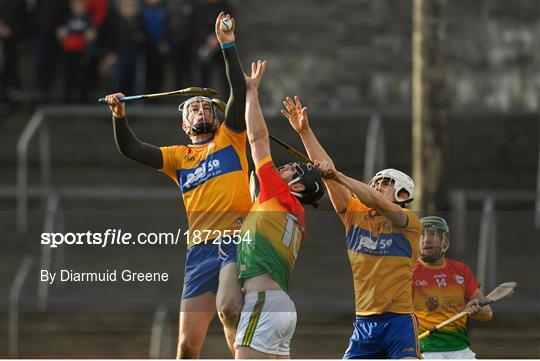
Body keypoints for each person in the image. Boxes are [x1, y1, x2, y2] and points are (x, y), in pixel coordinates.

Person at [104, 12, 250, 359]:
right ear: (185, 124)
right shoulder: (177, 157)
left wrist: (228, 46)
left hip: (236, 241)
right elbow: (131, 148)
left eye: (205, 107)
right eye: (193, 110)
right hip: (198, 250)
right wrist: (119, 118)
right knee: (186, 345)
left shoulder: (231, 137)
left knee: (229, 310)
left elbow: (238, 90)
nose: (201, 112)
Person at [282, 96, 421, 359]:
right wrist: (305, 132)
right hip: (364, 322)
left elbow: (373, 198)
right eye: (376, 181)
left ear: (402, 196)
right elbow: (329, 171)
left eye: (386, 183)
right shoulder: (353, 213)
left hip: (399, 320)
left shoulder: (408, 222)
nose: (378, 186)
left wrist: (338, 176)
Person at [235, 60, 325, 359]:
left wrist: (251, 93)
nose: (283, 168)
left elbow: (257, 139)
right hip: (282, 306)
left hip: (263, 300)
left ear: (298, 187)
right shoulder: (295, 215)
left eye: (291, 170)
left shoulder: (279, 193)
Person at [413, 216, 493, 359]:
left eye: (433, 234)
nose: (426, 240)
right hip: (426, 351)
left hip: (462, 350)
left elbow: (487, 314)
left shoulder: (461, 270)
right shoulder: (409, 272)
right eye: (421, 235)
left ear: (446, 240)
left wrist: (472, 310)